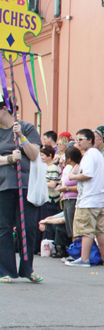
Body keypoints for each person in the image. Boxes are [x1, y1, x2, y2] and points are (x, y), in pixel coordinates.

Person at [0, 94, 43, 283]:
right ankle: (6, 270)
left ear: (4, 109)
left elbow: (34, 155)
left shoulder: (25, 127)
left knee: (28, 227)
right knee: (4, 228)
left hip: (25, 185)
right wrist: (8, 159)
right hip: (3, 186)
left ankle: (27, 268)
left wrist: (22, 138)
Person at [65, 129, 104, 268]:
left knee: (86, 230)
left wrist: (73, 176)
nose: (77, 142)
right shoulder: (98, 154)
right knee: (101, 228)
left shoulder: (89, 155)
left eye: (80, 139)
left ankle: (84, 259)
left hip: (88, 198)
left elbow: (88, 174)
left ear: (89, 140)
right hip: (99, 197)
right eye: (76, 140)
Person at [57, 146, 81, 242]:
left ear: (69, 158)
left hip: (73, 200)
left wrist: (66, 188)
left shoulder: (78, 169)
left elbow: (80, 187)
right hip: (66, 200)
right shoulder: (71, 168)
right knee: (70, 229)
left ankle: (77, 251)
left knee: (74, 228)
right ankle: (74, 251)